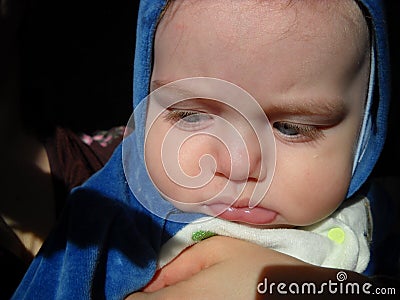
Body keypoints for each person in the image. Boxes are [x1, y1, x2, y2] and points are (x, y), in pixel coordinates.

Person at [12, 0, 398, 299]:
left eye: (290, 128)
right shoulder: (112, 214)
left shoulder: (375, 217)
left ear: (365, 134)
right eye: (191, 117)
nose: (236, 163)